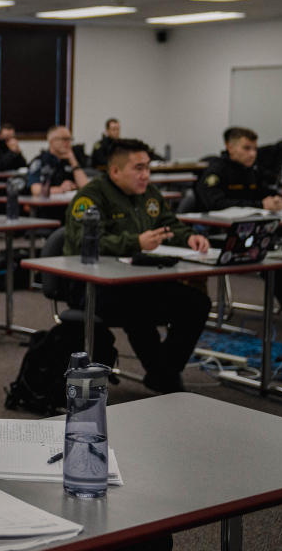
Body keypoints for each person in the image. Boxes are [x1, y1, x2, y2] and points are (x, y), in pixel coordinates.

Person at [65, 139, 211, 393]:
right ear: (115, 171)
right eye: (139, 168)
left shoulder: (148, 193)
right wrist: (135, 241)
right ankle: (165, 377)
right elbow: (83, 242)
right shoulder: (91, 197)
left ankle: (162, 372)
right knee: (139, 310)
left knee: (197, 303)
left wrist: (188, 237)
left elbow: (169, 223)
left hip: (139, 279)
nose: (146, 175)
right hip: (92, 286)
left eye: (148, 168)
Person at [196, 127, 282, 334]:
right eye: (246, 148)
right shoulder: (216, 171)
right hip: (222, 237)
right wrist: (260, 204)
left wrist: (275, 199)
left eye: (254, 149)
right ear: (230, 147)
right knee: (277, 266)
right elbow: (215, 203)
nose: (252, 154)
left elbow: (268, 190)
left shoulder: (252, 171)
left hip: (257, 232)